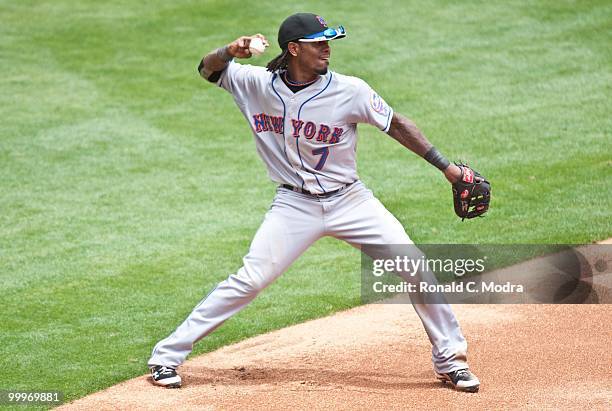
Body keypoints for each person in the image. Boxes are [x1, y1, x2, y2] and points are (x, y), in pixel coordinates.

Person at [148, 12, 480, 393]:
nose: (327, 48)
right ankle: (166, 356)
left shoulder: (350, 90)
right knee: (251, 279)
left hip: (351, 201)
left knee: (414, 266)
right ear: (293, 49)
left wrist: (449, 169)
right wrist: (229, 49)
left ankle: (451, 361)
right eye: (318, 42)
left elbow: (397, 124)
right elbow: (208, 70)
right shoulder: (255, 84)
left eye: (329, 41)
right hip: (294, 206)